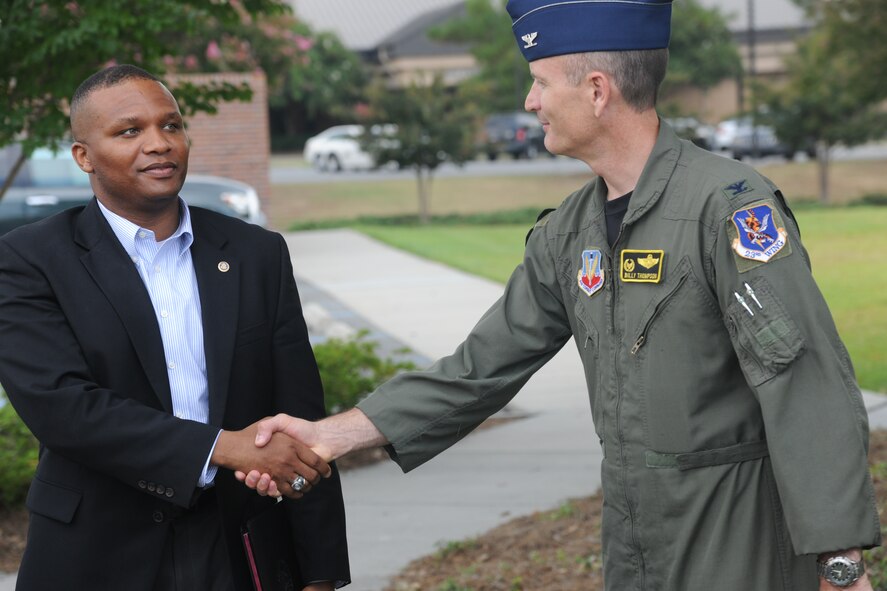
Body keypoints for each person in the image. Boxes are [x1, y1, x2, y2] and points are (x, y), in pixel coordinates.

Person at [242, 1, 881, 589]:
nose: (530, 100)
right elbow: (478, 370)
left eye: (541, 81)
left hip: (738, 535)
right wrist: (328, 436)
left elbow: (805, 386)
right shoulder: (566, 234)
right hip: (632, 536)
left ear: (596, 90)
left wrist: (841, 560)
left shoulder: (728, 209)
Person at [0, 65, 350, 590]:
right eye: (129, 131)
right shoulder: (30, 259)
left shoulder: (257, 254)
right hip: (95, 551)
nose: (158, 144)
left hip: (236, 543)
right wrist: (221, 448)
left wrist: (319, 573)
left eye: (171, 126)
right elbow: (64, 408)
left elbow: (299, 417)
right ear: (83, 156)